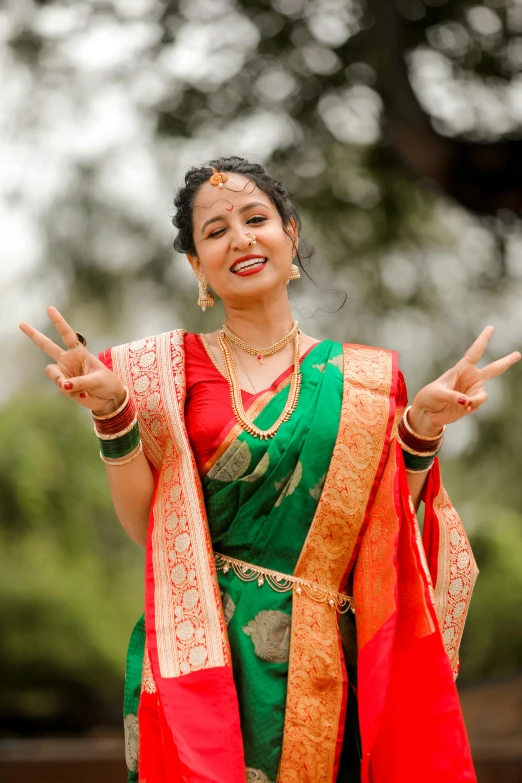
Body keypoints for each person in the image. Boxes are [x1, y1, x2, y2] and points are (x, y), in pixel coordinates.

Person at [20, 157, 520, 783]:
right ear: (196, 267)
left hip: (326, 663)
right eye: (215, 231)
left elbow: (385, 532)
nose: (240, 238)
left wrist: (420, 430)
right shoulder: (158, 375)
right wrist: (114, 415)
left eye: (256, 219)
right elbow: (151, 529)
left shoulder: (364, 379)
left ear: (292, 236)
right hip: (198, 653)